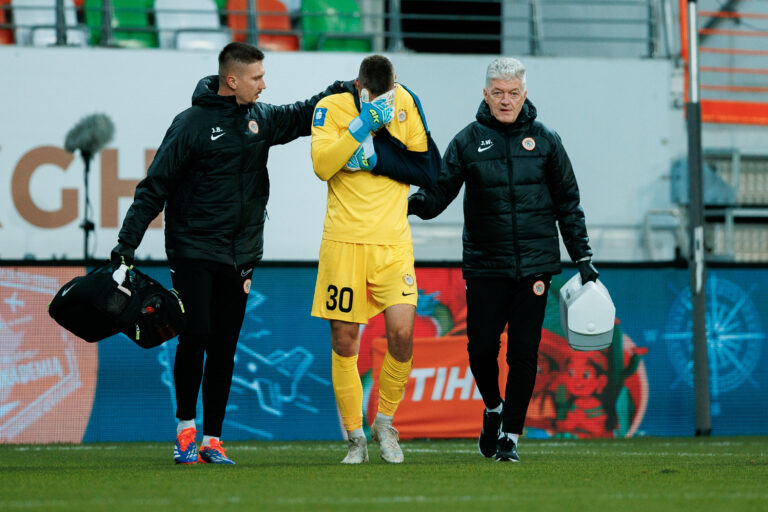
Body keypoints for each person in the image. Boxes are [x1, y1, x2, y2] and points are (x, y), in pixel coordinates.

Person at [110, 42, 348, 465]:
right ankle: (185, 429)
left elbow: (303, 113)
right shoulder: (190, 125)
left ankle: (213, 440)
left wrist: (344, 88)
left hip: (240, 255)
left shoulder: (261, 117)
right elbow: (155, 187)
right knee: (197, 332)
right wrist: (126, 244)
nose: (264, 84)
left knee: (225, 345)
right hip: (193, 248)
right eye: (257, 78)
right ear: (232, 80)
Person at [408, 57, 598, 462]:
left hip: (535, 265)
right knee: (480, 349)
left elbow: (569, 204)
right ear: (485, 94)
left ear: (524, 94)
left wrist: (583, 256)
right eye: (498, 93)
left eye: (513, 93)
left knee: (525, 353)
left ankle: (510, 435)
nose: (506, 100)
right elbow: (439, 193)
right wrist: (408, 205)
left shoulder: (547, 140)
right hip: (485, 264)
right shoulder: (466, 141)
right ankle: (493, 409)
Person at [309, 55, 440, 464]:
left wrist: (376, 155)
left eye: (388, 94)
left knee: (402, 336)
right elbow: (322, 166)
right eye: (374, 96)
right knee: (345, 342)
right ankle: (355, 439)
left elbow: (428, 169)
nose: (384, 102)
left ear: (396, 83)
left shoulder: (406, 102)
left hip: (392, 244)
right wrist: (360, 128)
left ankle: (385, 423)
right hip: (344, 243)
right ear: (358, 84)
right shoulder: (330, 107)